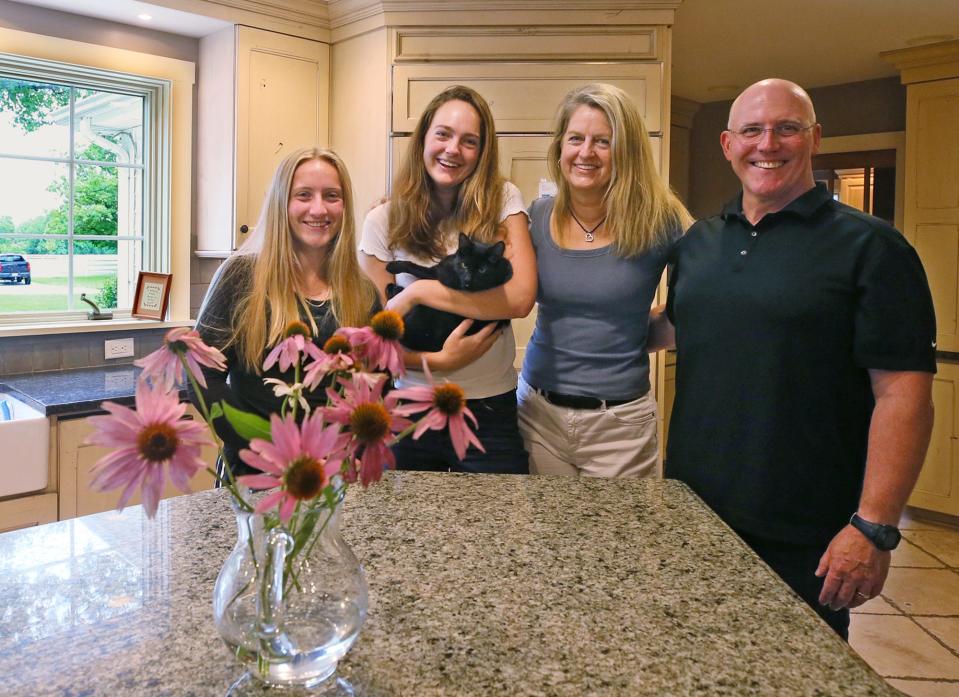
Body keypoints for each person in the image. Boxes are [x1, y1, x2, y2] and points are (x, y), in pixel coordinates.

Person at [655, 78, 936, 639]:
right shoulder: (698, 244)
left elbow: (903, 394)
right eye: (752, 130)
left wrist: (873, 527)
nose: (768, 143)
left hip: (805, 534)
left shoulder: (873, 249)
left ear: (815, 139)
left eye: (787, 128)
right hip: (691, 516)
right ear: (727, 144)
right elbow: (677, 327)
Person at [359, 85, 536, 474]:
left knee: (499, 528)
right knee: (405, 530)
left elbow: (521, 298)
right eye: (443, 134)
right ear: (423, 137)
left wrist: (419, 292)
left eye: (469, 141)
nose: (453, 149)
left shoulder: (503, 200)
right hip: (407, 407)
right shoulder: (382, 221)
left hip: (489, 407)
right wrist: (439, 361)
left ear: (482, 152)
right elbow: (372, 345)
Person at [517, 83, 691, 477]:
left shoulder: (660, 220)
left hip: (621, 426)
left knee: (619, 539)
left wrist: (625, 337)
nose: (585, 153)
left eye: (603, 142)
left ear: (625, 152)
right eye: (575, 138)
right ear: (560, 146)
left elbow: (706, 293)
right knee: (543, 538)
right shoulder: (536, 217)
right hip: (537, 415)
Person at [194, 147, 379, 477]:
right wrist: (261, 448)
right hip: (255, 474)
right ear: (282, 202)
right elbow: (199, 374)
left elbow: (376, 382)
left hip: (337, 476)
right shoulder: (241, 277)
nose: (318, 209)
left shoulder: (362, 292)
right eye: (304, 195)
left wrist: (359, 446)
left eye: (332, 196)